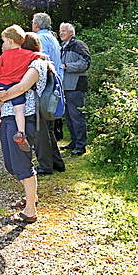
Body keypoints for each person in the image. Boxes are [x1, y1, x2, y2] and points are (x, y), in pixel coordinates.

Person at [0, 34, 48, 224]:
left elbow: (22, 87)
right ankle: (31, 197)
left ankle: (30, 210)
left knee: (22, 164)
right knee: (12, 164)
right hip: (9, 116)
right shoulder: (22, 64)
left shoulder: (37, 64)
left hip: (24, 118)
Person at [0, 25, 40, 152]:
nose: (3, 44)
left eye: (4, 41)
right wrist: (43, 56)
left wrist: (2, 81)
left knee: (0, 99)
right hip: (15, 85)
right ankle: (20, 132)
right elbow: (35, 56)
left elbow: (0, 71)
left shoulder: (4, 55)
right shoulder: (26, 54)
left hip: (3, 83)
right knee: (19, 110)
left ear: (10, 41)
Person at [31, 13, 66, 175]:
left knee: (40, 129)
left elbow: (41, 63)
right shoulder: (53, 39)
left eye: (33, 22)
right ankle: (57, 163)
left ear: (37, 24)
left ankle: (45, 166)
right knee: (49, 129)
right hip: (55, 86)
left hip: (44, 88)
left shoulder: (41, 39)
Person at [59, 23, 91, 156]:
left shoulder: (79, 45)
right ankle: (74, 142)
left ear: (71, 33)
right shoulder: (63, 48)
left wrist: (67, 66)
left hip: (76, 86)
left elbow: (85, 63)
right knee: (69, 116)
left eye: (64, 31)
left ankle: (81, 145)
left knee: (77, 116)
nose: (61, 33)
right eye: (60, 31)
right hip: (66, 87)